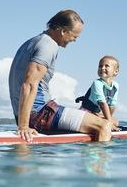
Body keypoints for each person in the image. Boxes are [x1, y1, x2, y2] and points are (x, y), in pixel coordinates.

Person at [8, 10, 113, 142]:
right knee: (104, 125)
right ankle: (98, 162)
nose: (74, 40)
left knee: (101, 119)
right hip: (40, 114)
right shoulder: (48, 45)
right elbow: (28, 85)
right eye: (74, 36)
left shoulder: (33, 41)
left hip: (30, 114)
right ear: (63, 31)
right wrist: (23, 126)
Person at [76, 56, 120, 130]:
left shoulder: (116, 86)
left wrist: (108, 119)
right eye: (100, 66)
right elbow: (102, 104)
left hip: (96, 114)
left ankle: (103, 121)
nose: (102, 68)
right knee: (110, 121)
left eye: (106, 66)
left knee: (116, 121)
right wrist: (109, 123)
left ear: (115, 72)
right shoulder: (97, 83)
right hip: (86, 112)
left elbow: (112, 105)